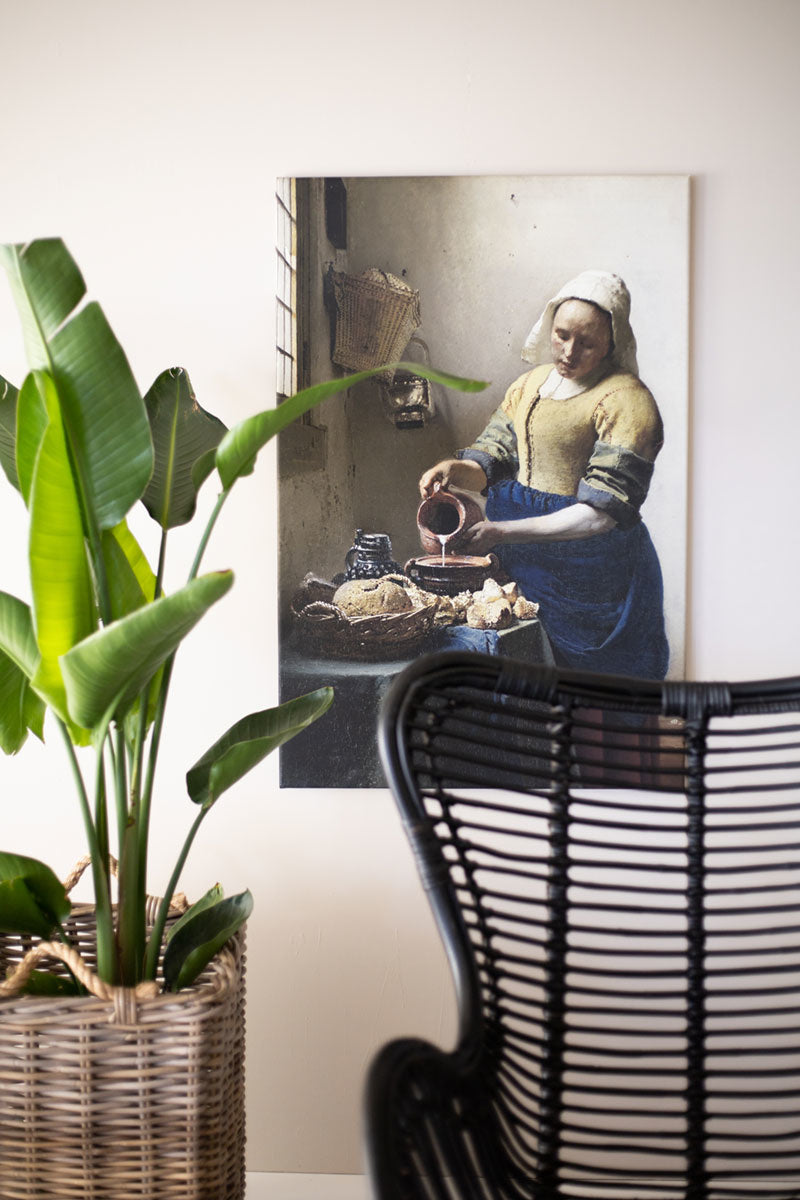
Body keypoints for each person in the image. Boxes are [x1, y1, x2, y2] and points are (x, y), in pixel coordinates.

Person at [419, 270, 669, 678]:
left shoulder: (628, 401)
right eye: (561, 335)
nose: (569, 352)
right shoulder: (530, 384)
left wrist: (502, 532)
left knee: (587, 690)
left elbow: (601, 515)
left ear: (611, 343)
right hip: (521, 562)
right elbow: (493, 461)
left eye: (586, 343)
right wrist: (454, 469)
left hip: (592, 571)